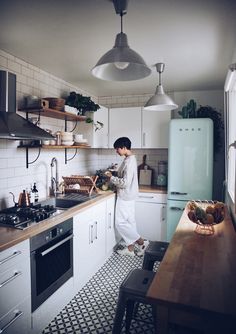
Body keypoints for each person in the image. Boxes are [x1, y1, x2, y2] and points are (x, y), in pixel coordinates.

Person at [105, 137, 149, 257]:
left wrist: (111, 178)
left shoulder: (129, 162)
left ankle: (142, 242)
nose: (116, 151)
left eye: (117, 149)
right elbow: (125, 176)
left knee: (120, 223)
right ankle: (130, 249)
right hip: (129, 195)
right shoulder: (129, 159)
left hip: (125, 196)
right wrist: (114, 174)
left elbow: (125, 182)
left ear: (124, 148)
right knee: (130, 222)